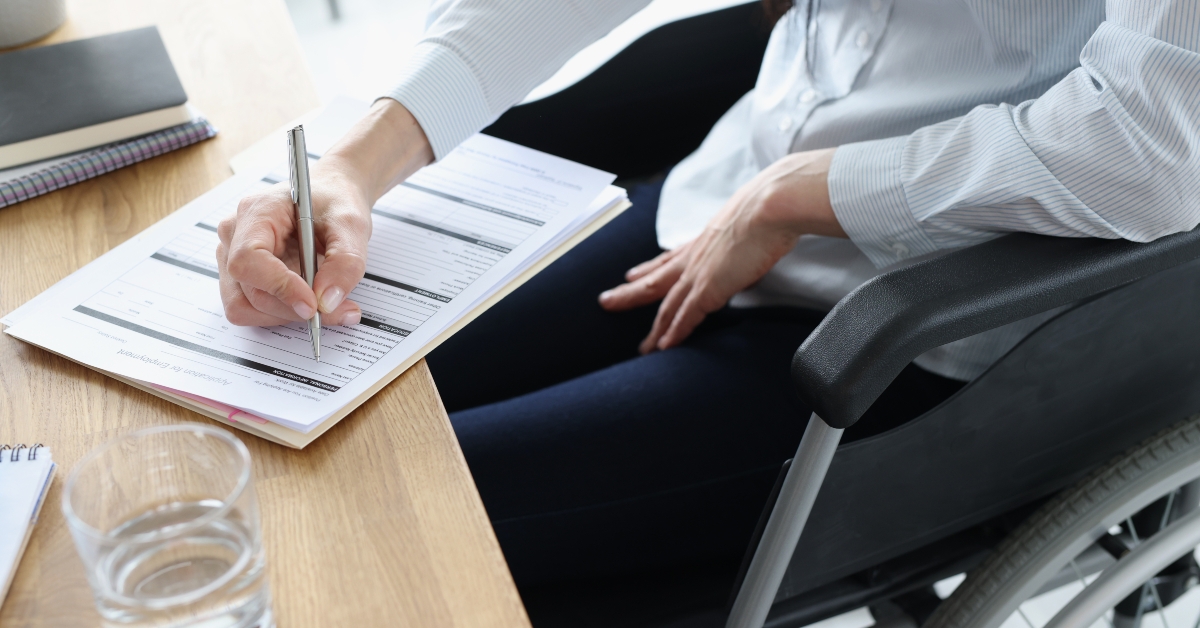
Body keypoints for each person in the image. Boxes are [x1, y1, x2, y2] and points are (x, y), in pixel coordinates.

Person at [216, 0, 1200, 612]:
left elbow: (1152, 149)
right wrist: (356, 164)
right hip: (721, 199)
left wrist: (805, 194)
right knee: (277, 398)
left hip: (903, 328)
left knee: (344, 518)